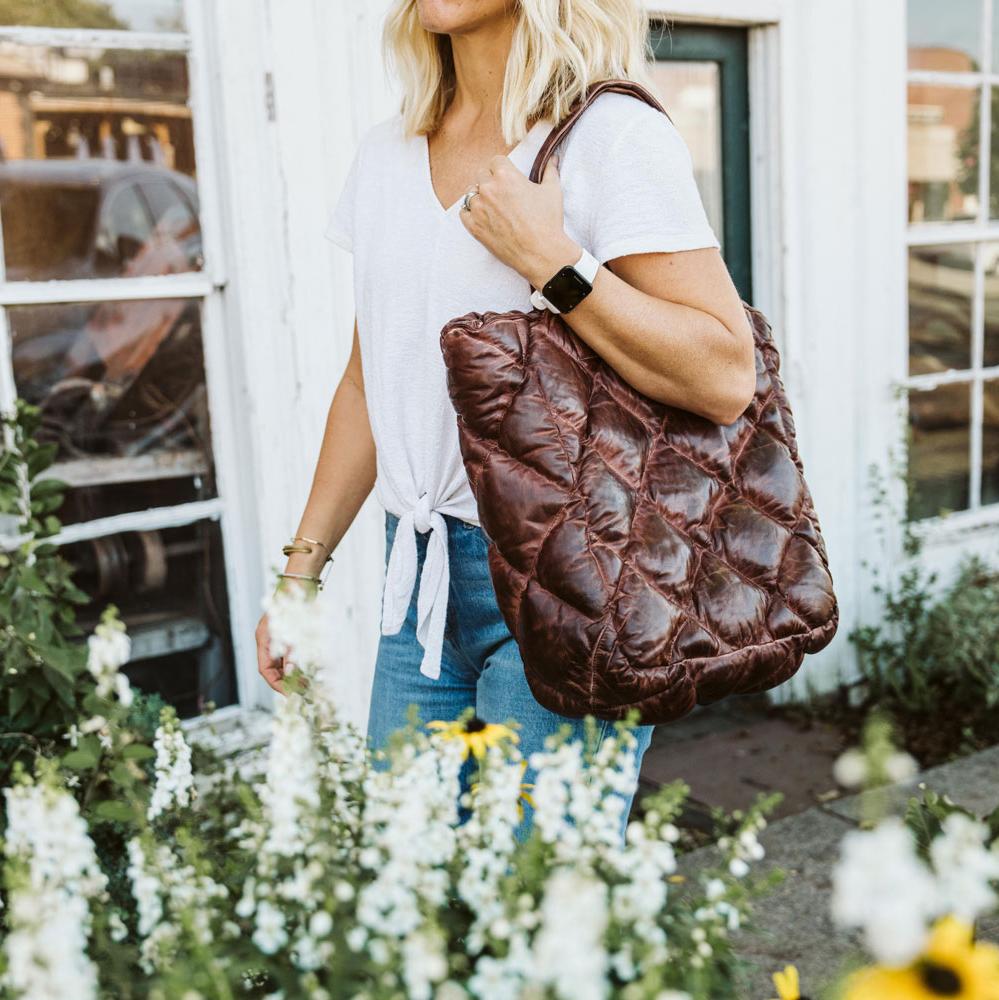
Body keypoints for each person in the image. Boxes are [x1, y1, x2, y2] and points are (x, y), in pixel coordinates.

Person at [255, 0, 757, 832]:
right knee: (406, 895)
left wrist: (551, 262)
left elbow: (723, 373)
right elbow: (365, 381)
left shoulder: (608, 136)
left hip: (568, 572)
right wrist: (301, 576)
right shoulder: (388, 153)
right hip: (416, 580)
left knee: (534, 920)